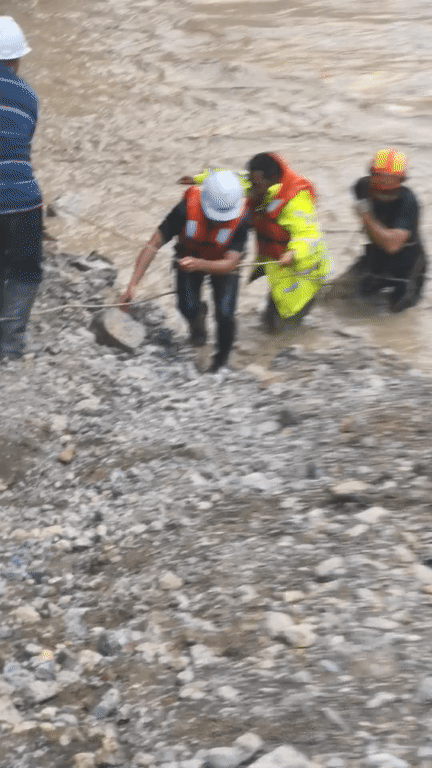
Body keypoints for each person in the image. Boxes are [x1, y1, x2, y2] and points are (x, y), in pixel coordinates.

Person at [121, 170, 249, 372]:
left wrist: (200, 264)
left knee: (225, 315)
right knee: (187, 307)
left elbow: (231, 264)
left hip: (222, 264)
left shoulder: (241, 218)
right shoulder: (185, 209)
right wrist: (132, 285)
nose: (219, 222)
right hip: (188, 257)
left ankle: (221, 362)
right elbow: (153, 244)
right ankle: (198, 330)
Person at [246, 152, 330, 333]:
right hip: (282, 272)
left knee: (281, 331)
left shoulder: (296, 201)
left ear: (272, 180)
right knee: (269, 321)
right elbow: (234, 178)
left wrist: (293, 253)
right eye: (251, 182)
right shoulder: (261, 185)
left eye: (256, 185)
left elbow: (310, 235)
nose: (251, 189)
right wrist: (200, 179)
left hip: (304, 275)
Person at [0, 17, 43, 360]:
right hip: (25, 200)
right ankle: (10, 346)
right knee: (24, 272)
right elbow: (21, 144)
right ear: (16, 60)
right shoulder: (29, 95)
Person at [349, 148, 426, 313]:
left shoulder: (408, 201)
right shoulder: (362, 187)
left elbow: (392, 245)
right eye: (380, 175)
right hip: (376, 258)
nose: (385, 181)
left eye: (392, 178)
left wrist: (366, 216)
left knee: (396, 313)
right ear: (372, 173)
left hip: (407, 268)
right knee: (339, 294)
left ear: (401, 179)